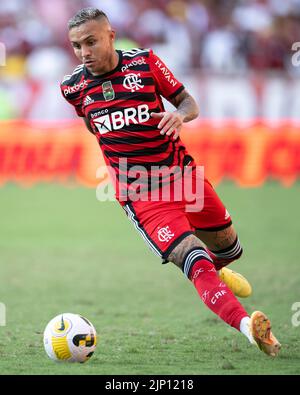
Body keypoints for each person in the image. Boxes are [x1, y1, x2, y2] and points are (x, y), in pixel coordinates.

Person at [61, 7, 281, 357]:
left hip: (183, 177)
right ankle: (248, 327)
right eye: (76, 45)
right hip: (142, 195)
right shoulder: (72, 87)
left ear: (111, 36)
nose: (84, 52)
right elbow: (94, 126)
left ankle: (213, 272)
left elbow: (188, 102)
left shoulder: (145, 63)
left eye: (91, 41)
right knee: (193, 259)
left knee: (229, 249)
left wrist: (179, 115)